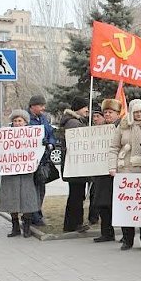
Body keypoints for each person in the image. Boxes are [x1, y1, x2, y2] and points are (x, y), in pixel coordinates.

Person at [108, 99, 141, 250]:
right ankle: (127, 239)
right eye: (136, 112)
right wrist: (112, 167)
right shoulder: (123, 126)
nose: (139, 115)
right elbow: (114, 147)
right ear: (131, 113)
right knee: (126, 208)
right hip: (126, 171)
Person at [0, 110, 40, 238]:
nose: (17, 123)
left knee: (26, 199)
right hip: (10, 173)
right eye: (15, 121)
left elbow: (37, 149)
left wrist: (43, 144)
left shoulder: (32, 135)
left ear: (25, 122)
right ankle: (15, 226)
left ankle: (26, 226)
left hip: (26, 173)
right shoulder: (5, 135)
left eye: (20, 121)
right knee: (12, 199)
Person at [60, 96, 92, 233]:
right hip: (75, 167)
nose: (87, 110)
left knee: (76, 195)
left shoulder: (73, 121)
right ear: (78, 108)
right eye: (85, 107)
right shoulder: (74, 123)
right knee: (76, 196)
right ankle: (74, 224)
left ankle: (73, 223)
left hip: (74, 166)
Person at [92, 99, 122, 243]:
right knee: (102, 203)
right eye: (106, 112)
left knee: (120, 203)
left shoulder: (122, 127)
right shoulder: (100, 128)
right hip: (101, 170)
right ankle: (107, 232)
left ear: (117, 114)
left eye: (110, 112)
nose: (108, 115)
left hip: (118, 170)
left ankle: (126, 235)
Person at [27, 95, 56, 226]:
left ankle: (37, 211)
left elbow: (50, 133)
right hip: (30, 161)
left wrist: (50, 143)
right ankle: (33, 215)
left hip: (43, 160)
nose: (43, 108)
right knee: (32, 189)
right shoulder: (26, 119)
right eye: (41, 105)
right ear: (33, 106)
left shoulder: (43, 119)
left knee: (41, 188)